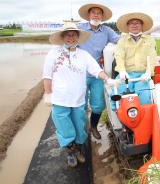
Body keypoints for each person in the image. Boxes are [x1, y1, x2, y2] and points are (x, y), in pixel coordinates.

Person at [43, 20, 117, 167]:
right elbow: (47, 76)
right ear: (63, 37)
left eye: (74, 35)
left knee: (79, 126)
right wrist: (48, 93)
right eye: (67, 35)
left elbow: (96, 70)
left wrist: (108, 79)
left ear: (78, 37)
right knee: (65, 128)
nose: (71, 38)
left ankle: (77, 148)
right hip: (60, 99)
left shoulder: (84, 55)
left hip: (78, 99)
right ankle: (70, 151)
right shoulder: (53, 54)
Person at [77, 3, 120, 139]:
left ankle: (93, 127)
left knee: (98, 105)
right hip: (79, 74)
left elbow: (119, 41)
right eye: (93, 12)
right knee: (79, 105)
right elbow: (67, 43)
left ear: (102, 16)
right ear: (88, 15)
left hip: (97, 74)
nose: (96, 15)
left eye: (99, 13)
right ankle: (80, 132)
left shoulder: (106, 31)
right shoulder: (80, 29)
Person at [113, 12, 157, 106]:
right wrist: (122, 70)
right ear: (128, 26)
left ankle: (144, 117)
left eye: (137, 23)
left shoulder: (150, 40)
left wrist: (149, 72)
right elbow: (119, 56)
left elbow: (152, 57)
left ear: (142, 25)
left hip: (142, 75)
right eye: (132, 23)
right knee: (118, 94)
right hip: (126, 75)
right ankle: (117, 114)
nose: (134, 25)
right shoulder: (122, 41)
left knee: (145, 97)